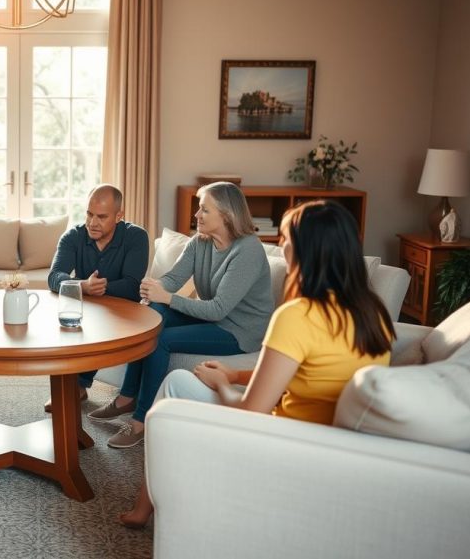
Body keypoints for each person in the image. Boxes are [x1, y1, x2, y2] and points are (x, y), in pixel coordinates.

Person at [118, 199, 395, 528]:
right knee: (177, 371)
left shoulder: (298, 316)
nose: (282, 245)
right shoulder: (374, 314)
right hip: (328, 443)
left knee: (175, 384)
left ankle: (143, 506)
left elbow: (252, 410)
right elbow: (304, 376)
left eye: (287, 240)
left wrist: (222, 384)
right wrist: (234, 373)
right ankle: (147, 501)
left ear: (307, 251)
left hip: (283, 441)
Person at [91, 181, 274, 449]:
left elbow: (219, 309)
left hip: (238, 330)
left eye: (204, 210)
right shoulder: (200, 243)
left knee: (161, 339)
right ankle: (127, 397)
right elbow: (174, 279)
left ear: (226, 215)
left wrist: (166, 297)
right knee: (153, 316)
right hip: (211, 317)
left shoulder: (247, 250)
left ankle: (142, 421)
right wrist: (153, 289)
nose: (196, 215)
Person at [44, 184, 149, 412]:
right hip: (85, 309)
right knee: (62, 323)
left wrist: (99, 288)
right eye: (89, 214)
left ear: (119, 216)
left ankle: (79, 386)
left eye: (101, 217)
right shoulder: (73, 236)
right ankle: (72, 387)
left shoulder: (136, 237)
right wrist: (83, 286)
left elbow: (132, 287)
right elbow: (54, 277)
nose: (93, 222)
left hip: (122, 314)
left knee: (93, 324)